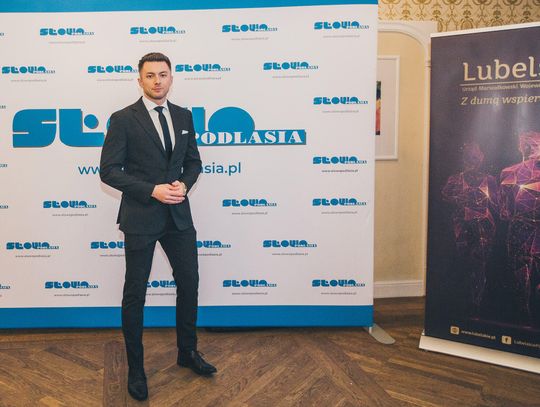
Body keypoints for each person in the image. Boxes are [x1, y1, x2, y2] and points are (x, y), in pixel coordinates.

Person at [100, 52, 216, 402]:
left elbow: (194, 162)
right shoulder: (123, 119)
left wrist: (184, 183)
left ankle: (187, 352)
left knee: (190, 283)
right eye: (150, 75)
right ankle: (136, 369)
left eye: (163, 74)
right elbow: (109, 171)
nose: (157, 81)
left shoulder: (183, 116)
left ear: (171, 78)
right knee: (135, 293)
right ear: (140, 80)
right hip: (141, 217)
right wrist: (152, 190)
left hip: (179, 217)